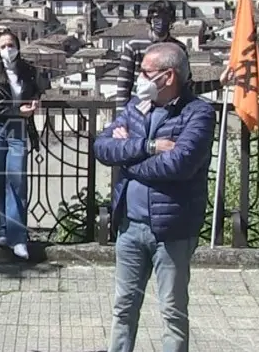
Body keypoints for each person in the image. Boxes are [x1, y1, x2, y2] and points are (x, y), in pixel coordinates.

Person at [93, 42, 216, 352]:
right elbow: (103, 147)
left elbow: (179, 164)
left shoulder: (198, 113)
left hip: (171, 230)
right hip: (129, 226)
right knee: (123, 307)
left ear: (168, 76)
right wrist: (147, 147)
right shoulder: (138, 105)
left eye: (146, 72)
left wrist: (127, 159)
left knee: (172, 311)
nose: (140, 78)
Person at [0, 29, 41, 260]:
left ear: (18, 46)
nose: (8, 49)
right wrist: (17, 110)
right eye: (3, 46)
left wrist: (35, 102)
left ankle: (18, 238)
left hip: (18, 130)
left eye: (11, 45)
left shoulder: (28, 72)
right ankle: (1, 231)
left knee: (16, 180)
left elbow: (36, 91)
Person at [113, 0, 231, 107]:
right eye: (157, 17)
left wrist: (219, 83)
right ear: (150, 19)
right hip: (138, 111)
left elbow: (187, 87)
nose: (161, 22)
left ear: (171, 21)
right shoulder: (133, 45)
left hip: (168, 113)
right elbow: (123, 86)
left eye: (165, 18)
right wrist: (121, 117)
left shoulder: (178, 49)